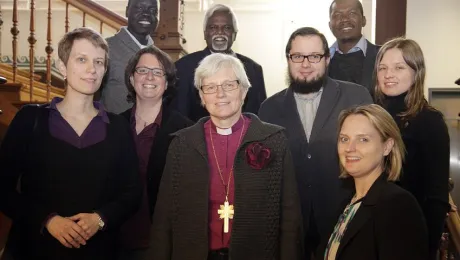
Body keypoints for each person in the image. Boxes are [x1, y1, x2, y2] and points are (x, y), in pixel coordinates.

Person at [0, 27, 142, 260]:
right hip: (35, 248)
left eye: (98, 62)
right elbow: (3, 189)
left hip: (99, 250)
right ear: (62, 67)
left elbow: (131, 192)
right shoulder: (30, 120)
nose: (91, 69)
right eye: (81, 59)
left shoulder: (117, 127)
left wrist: (100, 218)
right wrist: (48, 220)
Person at [149, 53, 302, 260]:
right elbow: (164, 218)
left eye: (229, 85)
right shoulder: (182, 144)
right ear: (202, 97)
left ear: (244, 90)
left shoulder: (273, 140)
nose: (220, 94)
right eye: (210, 87)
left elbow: (290, 218)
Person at [258, 27, 372, 258]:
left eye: (315, 56)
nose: (306, 63)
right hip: (290, 225)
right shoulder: (268, 109)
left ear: (327, 59)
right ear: (288, 59)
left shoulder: (356, 97)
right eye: (297, 56)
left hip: (345, 219)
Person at [374, 37, 450, 260]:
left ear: (417, 72)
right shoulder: (373, 117)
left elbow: (437, 195)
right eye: (383, 68)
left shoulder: (430, 122)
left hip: (411, 233)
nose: (389, 74)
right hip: (373, 229)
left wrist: (429, 247)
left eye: (399, 67)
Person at [117, 46, 193, 259]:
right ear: (132, 79)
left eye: (158, 72)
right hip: (116, 240)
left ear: (166, 82)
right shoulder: (113, 126)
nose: (149, 76)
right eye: (142, 70)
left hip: (161, 243)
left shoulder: (185, 131)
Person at [324, 104, 428, 260]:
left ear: (387, 146)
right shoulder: (347, 204)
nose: (349, 148)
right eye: (344, 139)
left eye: (363, 139)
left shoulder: (398, 205)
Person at [174, 3, 267, 122]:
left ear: (235, 34)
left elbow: (260, 115)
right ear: (205, 33)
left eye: (227, 28)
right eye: (213, 27)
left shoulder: (253, 69)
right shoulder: (183, 67)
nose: (220, 32)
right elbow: (179, 115)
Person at [101, 0, 159, 114]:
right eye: (139, 8)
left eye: (152, 10)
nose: (146, 14)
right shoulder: (105, 49)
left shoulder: (160, 56)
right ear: (127, 11)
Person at [328, 0, 379, 95]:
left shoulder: (383, 56)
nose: (344, 19)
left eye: (352, 13)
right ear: (330, 25)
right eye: (337, 15)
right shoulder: (318, 60)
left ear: (363, 20)